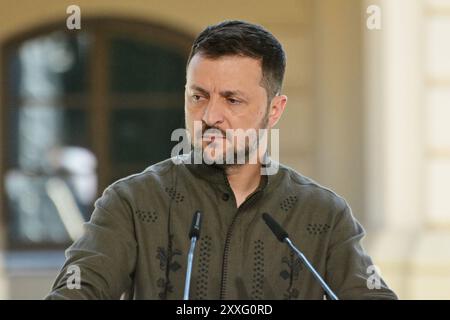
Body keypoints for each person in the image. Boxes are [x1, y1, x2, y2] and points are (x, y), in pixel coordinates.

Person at [46, 20, 397, 300]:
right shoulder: (131, 203)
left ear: (274, 110)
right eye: (198, 96)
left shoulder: (323, 214)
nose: (210, 115)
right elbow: (78, 291)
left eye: (232, 100)